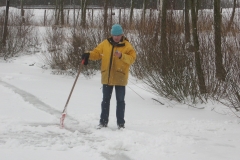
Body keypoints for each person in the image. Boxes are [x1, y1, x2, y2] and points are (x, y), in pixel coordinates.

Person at [81, 24, 136, 129]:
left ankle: (121, 124)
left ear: (122, 35)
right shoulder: (105, 44)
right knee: (105, 100)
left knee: (120, 101)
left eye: (118, 35)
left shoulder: (127, 46)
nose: (116, 37)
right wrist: (88, 54)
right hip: (107, 77)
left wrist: (122, 56)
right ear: (111, 34)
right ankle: (103, 122)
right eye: (114, 35)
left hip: (120, 77)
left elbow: (132, 59)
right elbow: (97, 53)